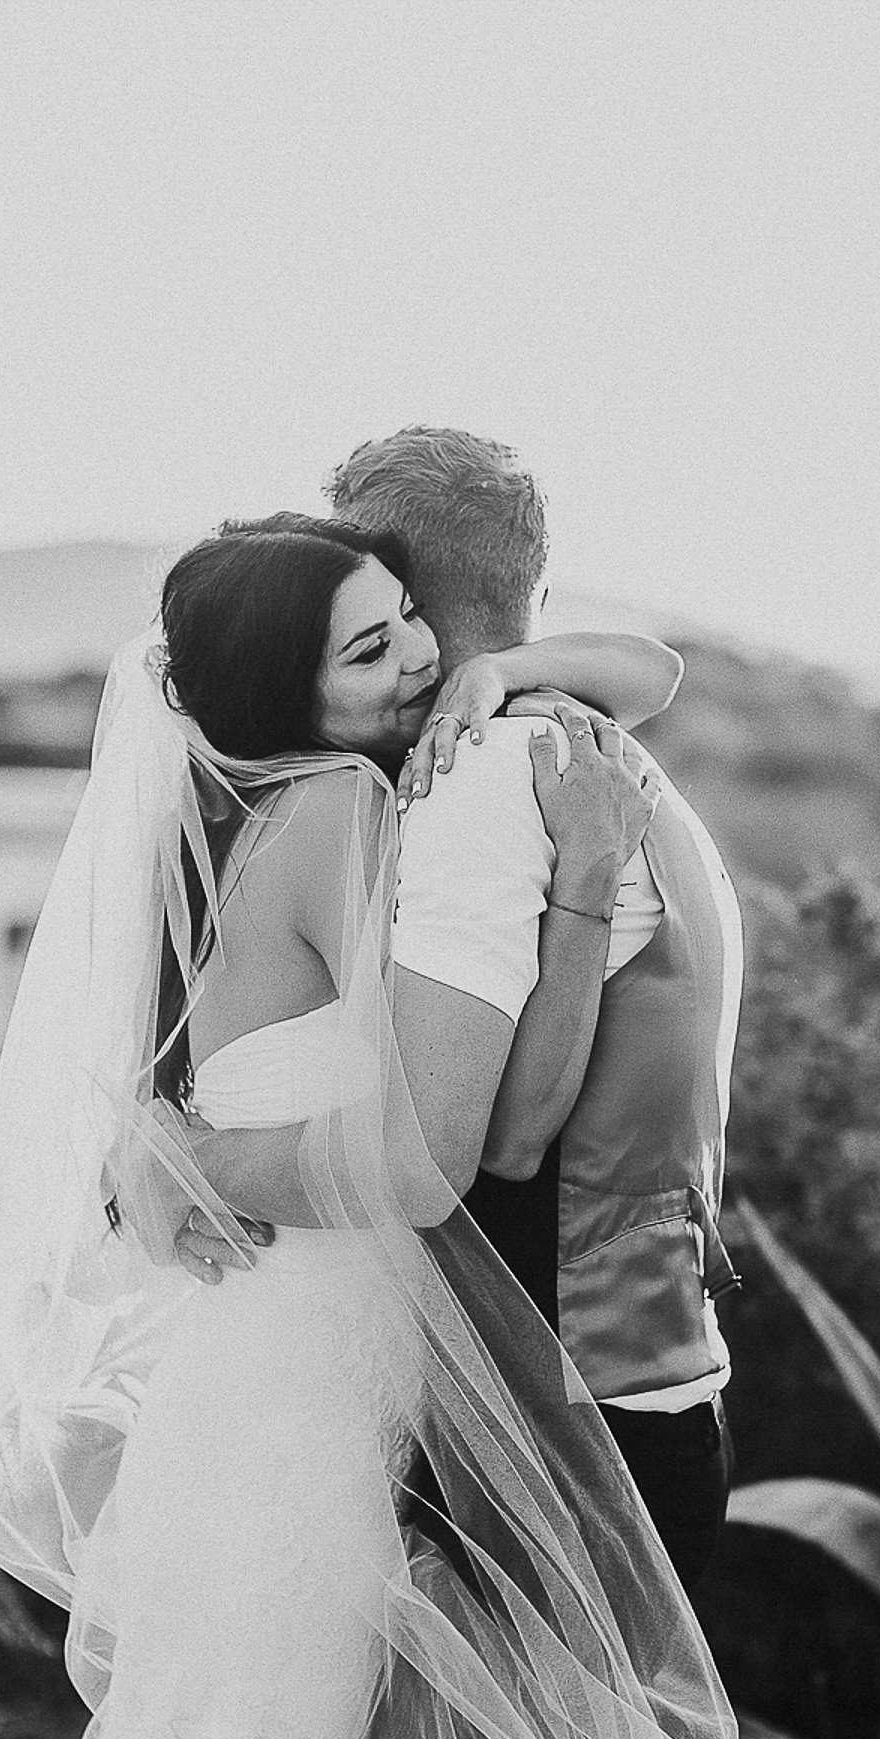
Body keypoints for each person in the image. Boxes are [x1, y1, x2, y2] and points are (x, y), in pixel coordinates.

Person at [0, 514, 738, 1739]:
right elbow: (460, 1147)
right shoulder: (349, 814)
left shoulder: (231, 824)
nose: (421, 659)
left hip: (255, 1366)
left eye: (411, 620)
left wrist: (498, 671)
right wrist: (586, 873)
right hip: (322, 1384)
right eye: (372, 649)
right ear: (289, 697)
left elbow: (654, 672)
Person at [182, 427, 743, 1592]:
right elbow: (654, 668)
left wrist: (183, 1164)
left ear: (402, 592)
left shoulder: (480, 776)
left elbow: (474, 1146)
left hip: (546, 1421)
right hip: (651, 1388)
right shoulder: (611, 754)